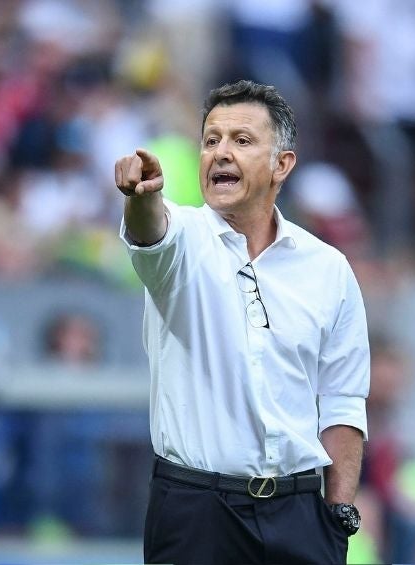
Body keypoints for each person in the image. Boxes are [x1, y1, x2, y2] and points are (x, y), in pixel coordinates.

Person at [114, 79, 370, 564]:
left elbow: (343, 400)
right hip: (196, 514)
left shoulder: (329, 269)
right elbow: (150, 234)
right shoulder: (182, 237)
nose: (221, 153)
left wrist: (337, 515)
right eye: (211, 140)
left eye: (242, 140)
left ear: (282, 164)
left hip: (300, 515)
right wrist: (141, 196)